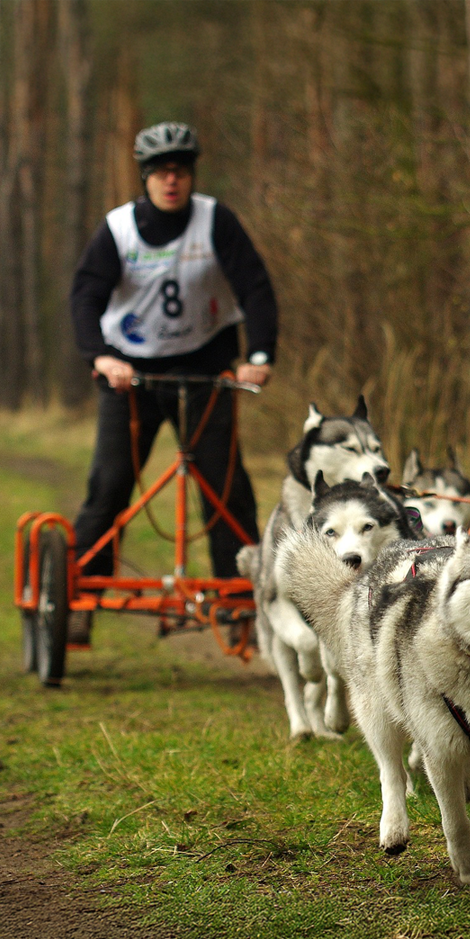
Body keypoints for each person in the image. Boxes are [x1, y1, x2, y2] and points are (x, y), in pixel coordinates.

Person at [68, 121, 278, 642]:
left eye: (180, 171)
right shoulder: (118, 228)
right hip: (131, 374)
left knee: (226, 488)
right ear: (145, 178)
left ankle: (237, 603)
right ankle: (81, 594)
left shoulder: (215, 221)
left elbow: (255, 287)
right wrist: (99, 358)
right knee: (110, 485)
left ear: (191, 176)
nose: (171, 181)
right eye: (161, 172)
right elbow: (86, 296)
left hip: (206, 372)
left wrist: (258, 354)